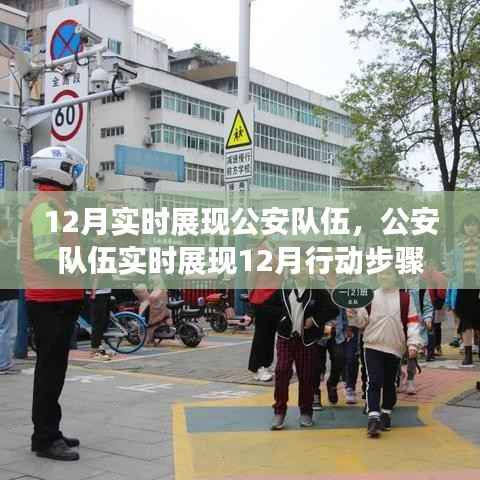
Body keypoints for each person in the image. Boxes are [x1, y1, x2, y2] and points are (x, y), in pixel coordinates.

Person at [21, 146, 86, 461]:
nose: (75, 178)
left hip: (58, 298)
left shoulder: (54, 204)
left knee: (54, 370)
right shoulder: (46, 206)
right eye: (73, 171)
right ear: (58, 170)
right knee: (49, 371)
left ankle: (50, 430)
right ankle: (45, 438)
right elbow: (49, 257)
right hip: (51, 300)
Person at [348, 267, 423, 438]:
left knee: (390, 383)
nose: (384, 276)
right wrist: (353, 315)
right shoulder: (370, 296)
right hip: (372, 345)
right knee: (374, 381)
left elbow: (412, 322)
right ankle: (373, 418)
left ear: (396, 276)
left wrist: (413, 344)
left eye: (388, 273)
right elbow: (361, 322)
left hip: (395, 347)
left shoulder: (405, 298)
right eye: (381, 273)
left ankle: (386, 413)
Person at [271, 263, 339, 430]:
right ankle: (279, 411)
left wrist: (314, 320)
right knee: (282, 370)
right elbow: (270, 307)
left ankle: (306, 412)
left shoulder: (317, 289)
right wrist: (281, 319)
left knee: (307, 375)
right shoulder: (283, 287)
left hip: (307, 340)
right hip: (286, 337)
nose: (300, 270)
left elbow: (332, 309)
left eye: (304, 267)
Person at [247, 236, 283, 382]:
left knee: (270, 335)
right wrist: (251, 297)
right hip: (262, 298)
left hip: (274, 297)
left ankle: (266, 365)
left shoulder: (274, 249)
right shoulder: (261, 250)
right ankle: (257, 367)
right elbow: (252, 276)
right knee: (262, 335)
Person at [447, 214, 480, 366]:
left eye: (473, 224)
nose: (470, 227)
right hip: (463, 285)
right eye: (467, 225)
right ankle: (468, 354)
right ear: (464, 228)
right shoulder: (459, 247)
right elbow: (453, 270)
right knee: (465, 321)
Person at [313, 309, 347, 409]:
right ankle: (315, 393)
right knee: (316, 365)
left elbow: (344, 309)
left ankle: (332, 384)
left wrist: (346, 328)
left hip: (337, 333)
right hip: (317, 332)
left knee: (340, 359)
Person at [0, 220, 19, 374]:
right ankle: (4, 363)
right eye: (8, 230)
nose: (10, 233)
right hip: (7, 294)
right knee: (7, 330)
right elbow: (10, 272)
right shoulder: (5, 250)